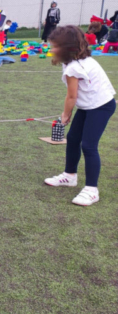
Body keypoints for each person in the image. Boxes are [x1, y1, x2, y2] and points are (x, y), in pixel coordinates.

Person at [44, 26, 116, 206]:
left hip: (101, 106)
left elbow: (71, 96)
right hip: (88, 105)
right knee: (73, 138)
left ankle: (92, 190)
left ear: (67, 48)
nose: (51, 49)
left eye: (54, 46)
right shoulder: (77, 60)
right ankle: (69, 176)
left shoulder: (74, 68)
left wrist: (65, 115)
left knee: (89, 146)